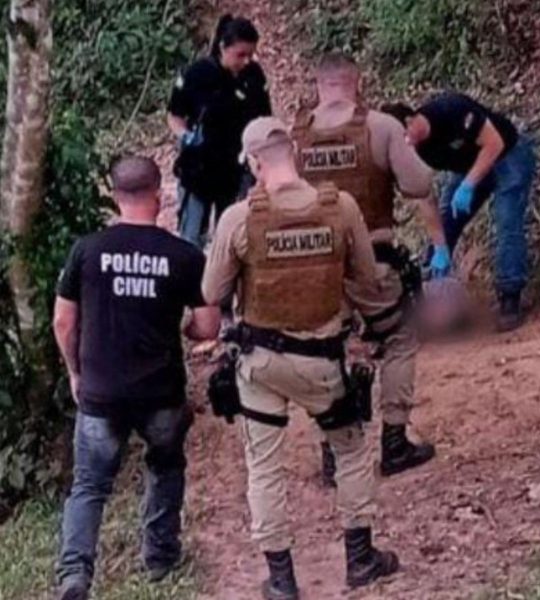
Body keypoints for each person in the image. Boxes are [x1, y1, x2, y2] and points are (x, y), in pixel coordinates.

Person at [202, 117, 399, 599]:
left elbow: (211, 291)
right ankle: (360, 559)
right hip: (322, 360)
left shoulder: (238, 219)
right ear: (294, 151)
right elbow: (368, 279)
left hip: (262, 364)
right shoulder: (341, 208)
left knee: (264, 466)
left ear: (253, 162)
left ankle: (283, 580)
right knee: (350, 450)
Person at [53, 157, 220, 600]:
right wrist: (184, 329)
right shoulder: (183, 255)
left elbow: (63, 322)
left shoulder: (86, 250)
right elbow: (209, 325)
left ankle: (75, 575)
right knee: (165, 467)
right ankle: (160, 558)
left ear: (113, 194)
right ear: (160, 193)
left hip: (100, 391)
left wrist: (75, 371)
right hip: (160, 392)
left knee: (89, 486)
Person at [292, 52, 449, 484]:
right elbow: (419, 184)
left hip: (311, 264)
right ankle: (394, 444)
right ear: (356, 83)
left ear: (319, 85)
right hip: (372, 261)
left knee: (328, 349)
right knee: (398, 338)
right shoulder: (380, 127)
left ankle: (332, 456)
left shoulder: (294, 137)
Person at [384, 93, 537, 332]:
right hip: (469, 166)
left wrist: (468, 185)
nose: (402, 144)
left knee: (507, 222)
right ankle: (430, 298)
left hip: (507, 155)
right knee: (446, 223)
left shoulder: (450, 110)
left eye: (401, 136)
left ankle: (510, 297)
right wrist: (440, 247)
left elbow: (494, 143)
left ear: (410, 121)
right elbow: (424, 196)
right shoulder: (411, 151)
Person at [167, 14, 272, 248]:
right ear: (223, 47)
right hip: (199, 168)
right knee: (191, 239)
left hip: (237, 170)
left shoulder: (253, 76)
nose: (246, 61)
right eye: (240, 55)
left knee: (232, 239)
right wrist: (186, 136)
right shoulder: (197, 74)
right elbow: (175, 116)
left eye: (250, 55)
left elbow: (264, 120)